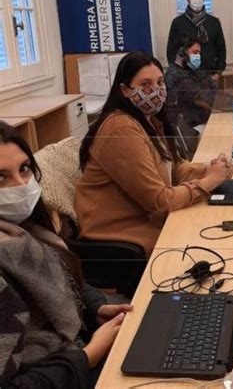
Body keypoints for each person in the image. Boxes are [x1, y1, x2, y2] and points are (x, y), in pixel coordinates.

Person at [0, 121, 133, 388]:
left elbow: (58, 277)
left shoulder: (23, 230)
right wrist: (87, 357)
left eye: (24, 169)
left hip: (69, 355)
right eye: (0, 177)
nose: (21, 185)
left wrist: (95, 308)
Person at [75, 52, 233, 256]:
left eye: (160, 83)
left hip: (148, 222)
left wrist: (210, 169)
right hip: (123, 236)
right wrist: (208, 182)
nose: (156, 91)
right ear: (124, 90)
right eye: (146, 85)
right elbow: (162, 202)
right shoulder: (121, 129)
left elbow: (173, 167)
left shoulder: (148, 119)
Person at [166, 0, 226, 83]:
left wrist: (218, 74)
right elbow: (171, 50)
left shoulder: (214, 22)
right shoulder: (178, 22)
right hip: (185, 77)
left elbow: (221, 49)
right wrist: (178, 73)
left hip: (209, 75)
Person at [165, 37, 217, 132]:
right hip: (192, 127)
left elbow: (216, 90)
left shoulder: (197, 70)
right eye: (195, 52)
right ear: (182, 53)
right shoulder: (174, 74)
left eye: (199, 53)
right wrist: (231, 104)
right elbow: (200, 99)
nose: (198, 56)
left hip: (207, 120)